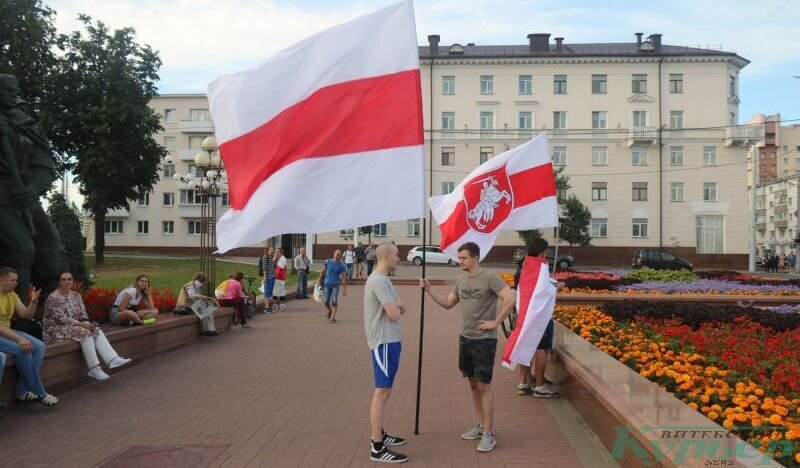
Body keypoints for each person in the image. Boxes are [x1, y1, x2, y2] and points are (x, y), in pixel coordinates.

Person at [420, 242, 515, 453]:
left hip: (484, 341)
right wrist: (429, 290)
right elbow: (448, 303)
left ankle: (489, 433)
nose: (460, 261)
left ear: (475, 258)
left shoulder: (490, 277)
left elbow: (510, 297)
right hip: (465, 339)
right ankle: (481, 426)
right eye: (459, 258)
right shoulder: (461, 279)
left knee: (484, 386)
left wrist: (496, 322)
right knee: (473, 385)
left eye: (464, 258)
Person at [0, 74, 67, 303]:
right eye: (8, 91)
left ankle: (52, 306)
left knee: (50, 242)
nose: (13, 95)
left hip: (23, 193)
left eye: (15, 91)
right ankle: (18, 314)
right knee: (22, 248)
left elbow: (43, 162)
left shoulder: (23, 123)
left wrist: (33, 188)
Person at [364, 242, 408, 463]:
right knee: (381, 391)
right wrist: (396, 307)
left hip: (391, 341)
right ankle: (377, 446)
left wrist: (397, 307)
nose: (399, 258)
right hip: (383, 342)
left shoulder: (385, 280)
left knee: (386, 390)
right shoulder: (379, 282)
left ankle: (379, 433)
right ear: (386, 256)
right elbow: (395, 313)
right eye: (396, 255)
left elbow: (401, 307)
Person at [43, 271, 132, 380]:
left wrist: (86, 322)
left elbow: (82, 313)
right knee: (84, 332)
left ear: (73, 281)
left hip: (74, 326)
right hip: (56, 328)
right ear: (59, 282)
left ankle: (113, 359)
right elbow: (61, 319)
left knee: (95, 329)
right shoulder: (53, 297)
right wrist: (82, 324)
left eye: (69, 279)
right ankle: (94, 368)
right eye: (63, 279)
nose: (67, 282)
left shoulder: (76, 296)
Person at [504, 239, 563, 398]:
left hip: (524, 314)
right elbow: (544, 291)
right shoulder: (540, 267)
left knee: (525, 345)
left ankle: (523, 383)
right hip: (540, 317)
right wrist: (558, 286)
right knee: (540, 350)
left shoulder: (524, 267)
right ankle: (540, 386)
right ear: (542, 252)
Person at [0, 267, 58, 406]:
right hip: (2, 332)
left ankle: (22, 390)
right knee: (22, 349)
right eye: (12, 280)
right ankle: (40, 393)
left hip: (7, 332)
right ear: (1, 280)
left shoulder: (12, 295)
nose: (16, 283)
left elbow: (26, 315)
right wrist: (20, 339)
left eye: (16, 280)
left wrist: (34, 301)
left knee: (39, 346)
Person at [176, 272, 217, 336]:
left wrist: (205, 301)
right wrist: (203, 297)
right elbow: (192, 296)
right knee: (205, 311)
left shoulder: (196, 286)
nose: (202, 284)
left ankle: (211, 330)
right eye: (202, 282)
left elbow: (196, 298)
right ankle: (205, 330)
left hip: (190, 305)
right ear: (200, 280)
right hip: (184, 307)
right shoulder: (190, 285)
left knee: (209, 310)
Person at [318, 250, 348, 323]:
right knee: (326, 302)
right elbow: (322, 271)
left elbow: (343, 278)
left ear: (340, 256)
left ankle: (333, 318)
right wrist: (319, 280)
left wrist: (344, 289)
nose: (337, 256)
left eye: (339, 255)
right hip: (327, 284)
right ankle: (330, 310)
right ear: (334, 254)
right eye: (336, 254)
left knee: (334, 302)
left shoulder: (341, 265)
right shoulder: (328, 261)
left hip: (335, 285)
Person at [259, 246, 276, 313]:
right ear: (267, 250)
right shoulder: (265, 257)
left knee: (269, 293)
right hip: (268, 277)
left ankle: (268, 306)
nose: (272, 250)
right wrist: (265, 278)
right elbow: (264, 268)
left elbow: (273, 267)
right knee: (266, 293)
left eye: (273, 249)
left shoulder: (271, 257)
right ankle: (266, 307)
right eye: (270, 249)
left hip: (272, 277)